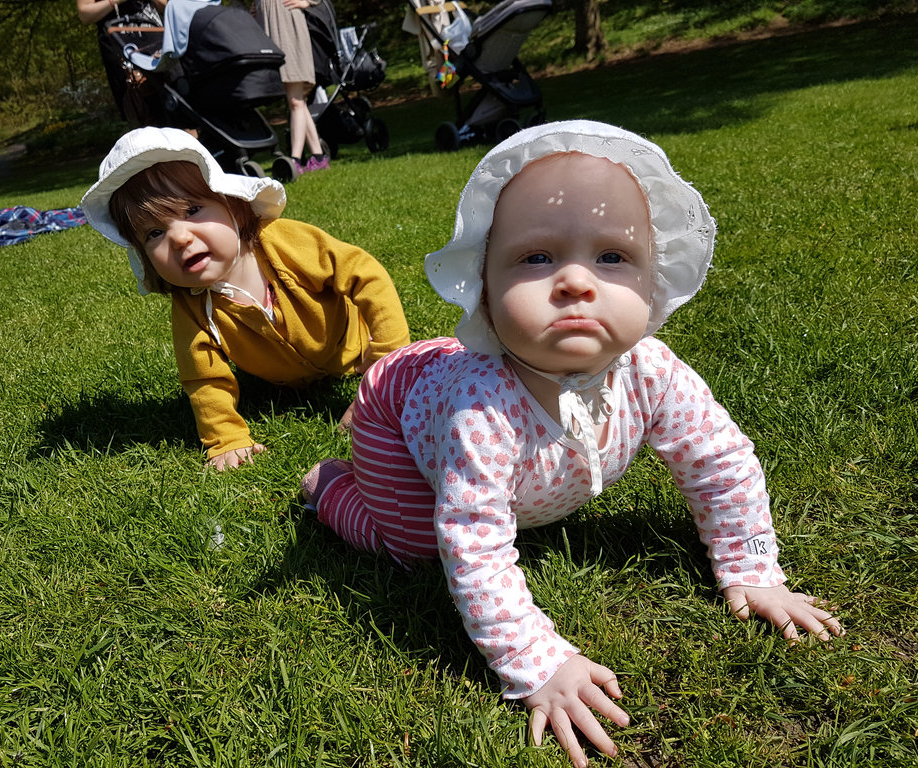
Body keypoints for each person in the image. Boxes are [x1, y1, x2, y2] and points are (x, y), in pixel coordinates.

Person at [300, 120, 845, 766]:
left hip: (461, 395)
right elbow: (472, 546)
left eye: (612, 257)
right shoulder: (482, 409)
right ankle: (328, 485)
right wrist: (536, 662)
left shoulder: (653, 371)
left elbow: (720, 462)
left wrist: (752, 567)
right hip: (399, 413)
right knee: (417, 548)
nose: (577, 282)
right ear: (484, 286)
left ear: (654, 281)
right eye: (537, 258)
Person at [80, 126, 410, 470]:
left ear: (232, 205)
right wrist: (227, 440)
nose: (178, 238)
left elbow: (366, 276)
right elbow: (205, 379)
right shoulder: (193, 307)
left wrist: (383, 365)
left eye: (192, 210)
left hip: (355, 347)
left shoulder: (283, 243)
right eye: (154, 233)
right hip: (284, 385)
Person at [251, 0, 330, 174]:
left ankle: (294, 161)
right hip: (267, 25)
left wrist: (307, 2)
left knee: (295, 100)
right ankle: (318, 157)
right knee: (297, 100)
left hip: (288, 26)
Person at [77, 0, 166, 121]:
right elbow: (84, 14)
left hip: (156, 41)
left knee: (178, 106)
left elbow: (165, 6)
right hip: (121, 47)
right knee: (142, 111)